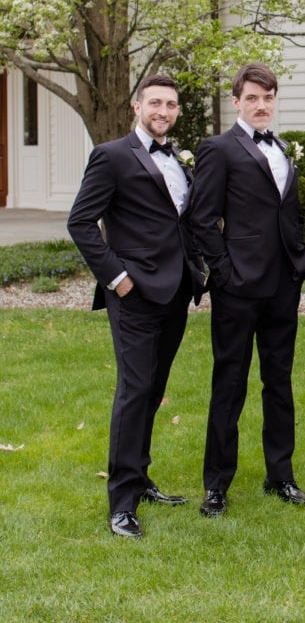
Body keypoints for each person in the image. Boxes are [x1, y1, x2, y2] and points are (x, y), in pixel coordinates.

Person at [67, 74, 206, 539]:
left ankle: (141, 478)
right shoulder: (111, 157)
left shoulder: (179, 160)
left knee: (152, 389)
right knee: (133, 391)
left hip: (175, 293)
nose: (162, 111)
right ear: (136, 106)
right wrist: (117, 277)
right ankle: (121, 504)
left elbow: (179, 222)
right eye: (155, 103)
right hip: (134, 295)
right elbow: (81, 221)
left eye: (170, 105)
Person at [191, 63, 305, 517]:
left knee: (278, 382)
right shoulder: (218, 148)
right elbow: (202, 218)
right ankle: (217, 485)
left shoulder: (282, 147)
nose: (262, 105)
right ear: (237, 101)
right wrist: (223, 272)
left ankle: (280, 475)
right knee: (230, 383)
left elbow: (286, 212)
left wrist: (299, 261)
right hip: (238, 288)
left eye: (268, 98)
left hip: (283, 285)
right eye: (253, 98)